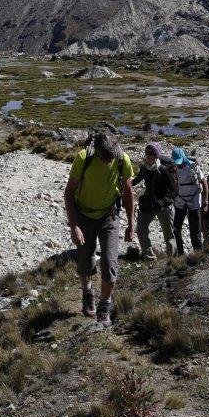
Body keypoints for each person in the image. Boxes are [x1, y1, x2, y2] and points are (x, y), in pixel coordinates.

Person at [64, 130, 136, 326]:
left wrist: (131, 224)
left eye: (109, 159)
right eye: (103, 159)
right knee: (85, 261)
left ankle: (104, 306)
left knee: (110, 261)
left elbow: (128, 191)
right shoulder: (83, 158)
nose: (106, 162)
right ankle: (87, 292)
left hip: (109, 215)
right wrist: (74, 226)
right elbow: (69, 193)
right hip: (84, 215)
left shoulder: (123, 160)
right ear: (97, 152)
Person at [133, 142, 177, 261]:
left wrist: (162, 202)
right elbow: (135, 181)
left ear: (156, 155)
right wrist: (124, 183)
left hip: (164, 206)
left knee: (168, 235)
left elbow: (174, 191)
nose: (147, 155)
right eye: (146, 152)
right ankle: (150, 258)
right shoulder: (144, 168)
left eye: (151, 153)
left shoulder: (163, 170)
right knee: (141, 229)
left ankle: (171, 260)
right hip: (148, 204)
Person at [169, 146, 205, 255]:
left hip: (194, 202)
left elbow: (204, 183)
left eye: (180, 162)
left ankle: (198, 255)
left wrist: (206, 202)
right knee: (176, 229)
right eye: (177, 163)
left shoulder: (193, 167)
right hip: (180, 201)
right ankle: (180, 254)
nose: (178, 165)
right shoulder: (174, 169)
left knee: (195, 233)